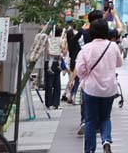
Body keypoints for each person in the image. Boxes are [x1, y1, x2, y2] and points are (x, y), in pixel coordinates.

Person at [74, 19, 122, 153]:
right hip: (109, 89)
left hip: (91, 89)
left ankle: (89, 149)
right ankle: (106, 140)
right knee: (105, 118)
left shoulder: (86, 48)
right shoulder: (113, 46)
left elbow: (80, 69)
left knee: (90, 120)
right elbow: (119, 63)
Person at [43, 32, 63, 109]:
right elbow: (48, 52)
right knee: (49, 85)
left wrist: (60, 52)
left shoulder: (59, 41)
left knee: (57, 85)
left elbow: (63, 51)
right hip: (49, 63)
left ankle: (56, 104)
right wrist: (57, 54)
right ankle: (49, 103)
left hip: (57, 63)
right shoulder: (47, 40)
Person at [64, 22, 82, 105]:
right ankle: (74, 97)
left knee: (72, 80)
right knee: (77, 80)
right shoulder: (73, 41)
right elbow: (79, 35)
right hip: (76, 62)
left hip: (72, 62)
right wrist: (83, 28)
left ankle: (70, 96)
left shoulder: (70, 42)